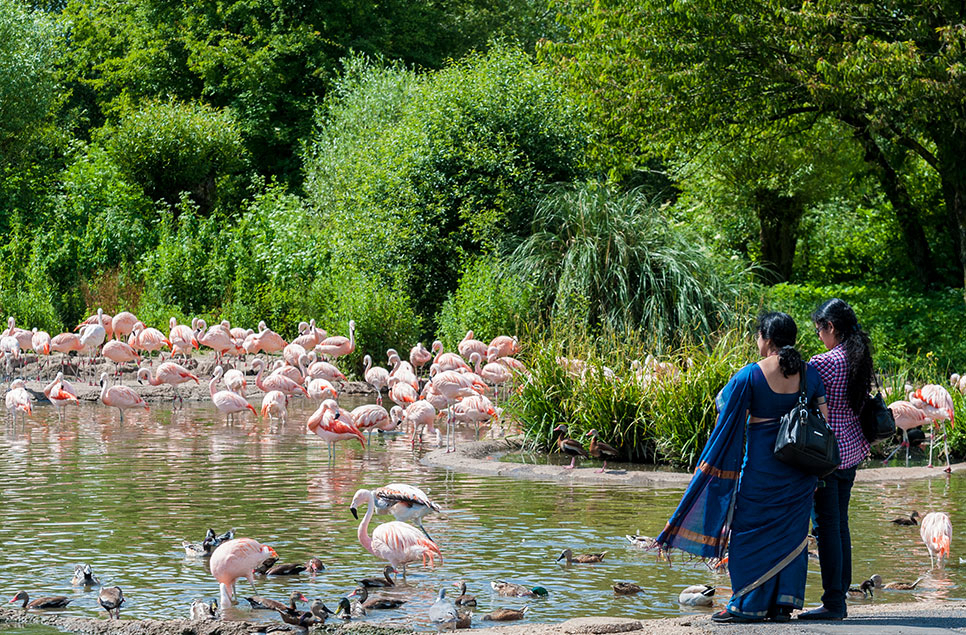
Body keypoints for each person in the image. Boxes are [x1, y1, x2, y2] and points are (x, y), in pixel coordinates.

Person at [656, 312, 827, 623]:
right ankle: (781, 605)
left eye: (759, 336)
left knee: (748, 532)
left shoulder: (749, 375)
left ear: (768, 340)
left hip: (762, 469)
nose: (757, 341)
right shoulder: (811, 374)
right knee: (792, 536)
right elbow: (825, 424)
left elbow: (725, 408)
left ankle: (746, 605)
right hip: (801, 472)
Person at [798, 298, 872, 620]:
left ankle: (833, 603)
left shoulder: (823, 362)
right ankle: (839, 594)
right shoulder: (860, 357)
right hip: (853, 449)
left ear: (830, 327)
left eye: (819, 330)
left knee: (827, 527)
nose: (818, 337)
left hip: (827, 454)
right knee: (840, 524)